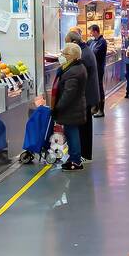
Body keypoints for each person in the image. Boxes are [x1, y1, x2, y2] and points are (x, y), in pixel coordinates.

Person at [50, 42, 88, 171]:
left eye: (64, 54)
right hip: (74, 108)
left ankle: (75, 160)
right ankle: (73, 158)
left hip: (72, 109)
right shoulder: (74, 68)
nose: (61, 56)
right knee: (71, 132)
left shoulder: (73, 72)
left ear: (72, 56)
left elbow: (68, 94)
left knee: (72, 133)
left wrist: (57, 107)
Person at [66, 29, 100, 160]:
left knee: (84, 127)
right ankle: (84, 153)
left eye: (67, 44)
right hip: (88, 94)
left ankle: (84, 154)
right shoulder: (85, 50)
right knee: (84, 126)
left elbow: (78, 77)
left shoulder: (83, 55)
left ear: (74, 42)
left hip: (86, 95)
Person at [87, 24, 108, 117]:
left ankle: (101, 109)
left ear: (95, 31)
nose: (90, 33)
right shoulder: (92, 41)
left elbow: (94, 52)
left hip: (98, 68)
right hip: (92, 68)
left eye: (91, 31)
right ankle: (94, 107)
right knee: (94, 88)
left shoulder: (102, 42)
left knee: (99, 88)